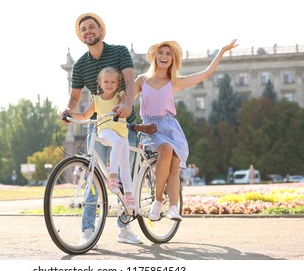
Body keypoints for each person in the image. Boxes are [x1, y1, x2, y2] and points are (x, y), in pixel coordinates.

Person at [60, 13, 142, 245]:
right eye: (83, 29)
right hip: (100, 125)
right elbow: (74, 96)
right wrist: (67, 110)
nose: (88, 31)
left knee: (125, 178)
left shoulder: (119, 52)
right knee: (92, 177)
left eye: (92, 27)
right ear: (81, 35)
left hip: (125, 125)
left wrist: (127, 103)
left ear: (100, 30)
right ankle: (88, 229)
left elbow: (129, 79)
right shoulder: (80, 65)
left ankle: (124, 230)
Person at [135, 39, 238, 221]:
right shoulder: (142, 80)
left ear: (173, 60)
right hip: (150, 128)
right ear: (155, 56)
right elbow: (127, 100)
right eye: (161, 53)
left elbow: (206, 74)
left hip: (170, 128)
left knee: (175, 166)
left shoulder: (175, 82)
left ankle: (174, 208)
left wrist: (221, 50)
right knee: (166, 149)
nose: (164, 56)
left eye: (169, 54)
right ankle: (158, 201)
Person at [70, 67, 137, 209]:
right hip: (105, 131)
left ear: (118, 84)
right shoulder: (97, 100)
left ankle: (129, 195)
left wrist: (122, 105)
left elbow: (125, 104)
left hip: (121, 132)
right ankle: (112, 178)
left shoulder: (121, 95)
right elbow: (84, 115)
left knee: (125, 166)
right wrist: (70, 115)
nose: (109, 84)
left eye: (113, 82)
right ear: (99, 83)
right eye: (106, 81)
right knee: (117, 143)